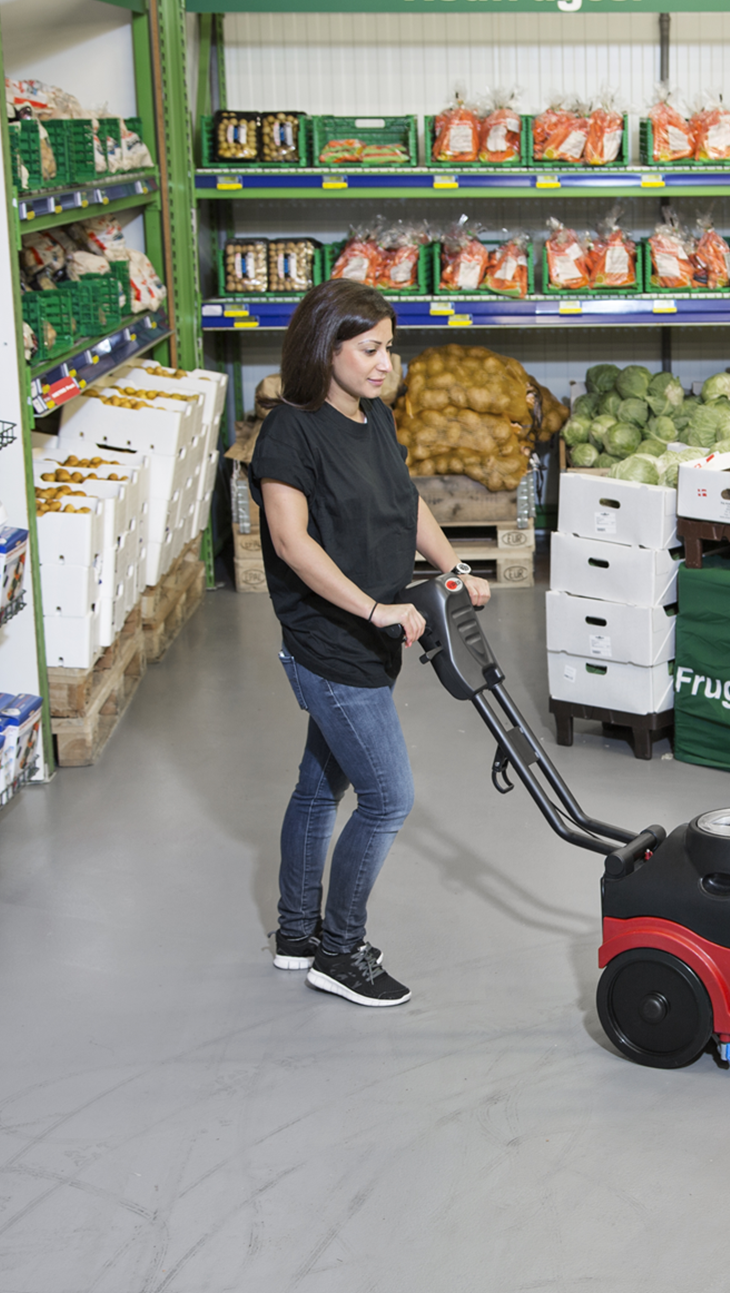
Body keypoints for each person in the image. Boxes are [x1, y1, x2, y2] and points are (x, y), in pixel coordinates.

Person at [249, 279, 490, 1007]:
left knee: (319, 787)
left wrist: (454, 567)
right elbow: (291, 543)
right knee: (387, 799)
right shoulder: (289, 433)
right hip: (330, 642)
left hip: (372, 637)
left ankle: (297, 932)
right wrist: (375, 608)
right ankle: (339, 951)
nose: (387, 363)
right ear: (326, 349)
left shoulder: (375, 416)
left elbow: (405, 502)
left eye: (390, 348)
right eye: (370, 349)